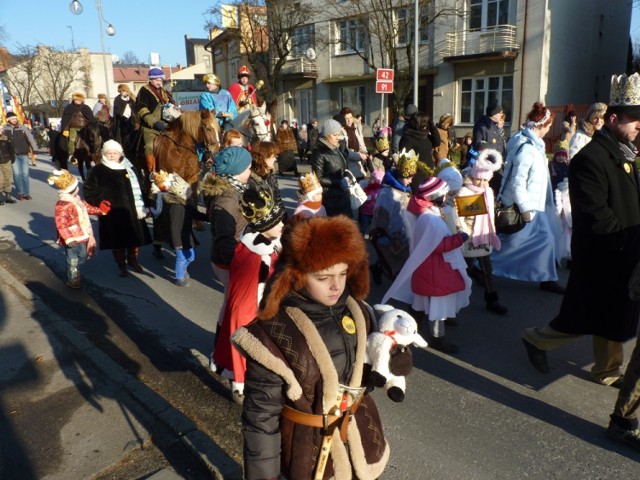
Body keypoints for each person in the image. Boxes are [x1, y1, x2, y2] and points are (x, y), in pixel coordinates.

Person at [231, 215, 390, 480]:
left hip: (359, 437)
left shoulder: (358, 312)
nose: (337, 285)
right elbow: (261, 417)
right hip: (310, 451)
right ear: (297, 276)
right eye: (323, 277)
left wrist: (393, 357)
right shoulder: (275, 335)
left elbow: (367, 374)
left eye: (342, 273)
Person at [521, 74, 640, 395]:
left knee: (613, 315)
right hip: (603, 254)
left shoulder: (625, 153)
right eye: (635, 119)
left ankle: (606, 369)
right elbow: (595, 215)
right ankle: (536, 339)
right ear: (613, 119)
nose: (639, 126)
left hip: (623, 251)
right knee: (586, 316)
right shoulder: (590, 158)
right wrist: (627, 242)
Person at [212, 185, 285, 404]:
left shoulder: (261, 245)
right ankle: (240, 386)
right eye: (277, 223)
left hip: (254, 306)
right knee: (244, 348)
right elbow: (251, 287)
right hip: (248, 310)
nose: (283, 225)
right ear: (264, 227)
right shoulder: (255, 254)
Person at [383, 177, 471, 354]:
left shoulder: (424, 212)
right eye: (445, 193)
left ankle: (409, 325)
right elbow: (438, 245)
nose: (448, 196)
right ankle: (437, 338)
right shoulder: (431, 219)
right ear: (436, 195)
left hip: (428, 266)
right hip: (436, 268)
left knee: (421, 301)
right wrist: (460, 238)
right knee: (439, 305)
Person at [490, 102, 564, 294]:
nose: (549, 129)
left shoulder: (535, 147)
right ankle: (481, 264)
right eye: (549, 126)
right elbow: (517, 182)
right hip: (526, 207)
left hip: (534, 205)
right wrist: (525, 210)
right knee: (512, 243)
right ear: (541, 126)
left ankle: (546, 277)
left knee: (542, 240)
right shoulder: (528, 149)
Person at [200, 146, 252, 370]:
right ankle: (225, 354)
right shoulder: (227, 199)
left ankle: (222, 349)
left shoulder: (234, 189)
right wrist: (241, 264)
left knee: (229, 306)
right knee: (236, 310)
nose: (251, 171)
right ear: (237, 171)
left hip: (234, 258)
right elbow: (224, 240)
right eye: (248, 168)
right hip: (229, 262)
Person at [83, 140, 152, 277]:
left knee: (134, 238)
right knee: (118, 241)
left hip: (132, 211)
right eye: (109, 153)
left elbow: (141, 187)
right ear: (104, 154)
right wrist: (99, 202)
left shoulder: (130, 168)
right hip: (112, 212)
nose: (112, 155)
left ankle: (133, 259)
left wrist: (146, 204)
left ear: (120, 154)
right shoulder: (97, 170)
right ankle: (121, 264)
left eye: (115, 153)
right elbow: (88, 191)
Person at [456, 149, 508, 314]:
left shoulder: (487, 192)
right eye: (479, 180)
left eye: (486, 181)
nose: (482, 184)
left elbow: (489, 214)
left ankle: (492, 298)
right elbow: (460, 218)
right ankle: (453, 298)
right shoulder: (465, 191)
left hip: (483, 235)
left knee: (487, 268)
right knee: (464, 269)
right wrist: (463, 234)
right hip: (469, 237)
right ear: (473, 176)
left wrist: (491, 231)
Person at [48, 169, 110, 288]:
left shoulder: (77, 200)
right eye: (77, 187)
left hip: (84, 233)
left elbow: (87, 208)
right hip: (73, 238)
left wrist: (100, 211)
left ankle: (76, 267)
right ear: (73, 189)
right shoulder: (63, 205)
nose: (78, 189)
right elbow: (61, 223)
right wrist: (68, 238)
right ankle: (73, 278)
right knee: (73, 258)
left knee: (82, 255)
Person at [369, 148, 417, 282]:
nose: (411, 182)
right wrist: (380, 233)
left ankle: (401, 282)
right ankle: (378, 269)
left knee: (404, 258)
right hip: (391, 231)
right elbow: (380, 213)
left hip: (405, 229)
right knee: (390, 257)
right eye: (408, 178)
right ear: (401, 175)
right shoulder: (386, 193)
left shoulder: (406, 188)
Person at [135, 67, 175, 174]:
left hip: (167, 125)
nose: (159, 82)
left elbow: (172, 106)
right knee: (150, 146)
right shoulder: (144, 90)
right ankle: (152, 172)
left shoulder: (164, 91)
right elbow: (142, 109)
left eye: (160, 80)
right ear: (151, 79)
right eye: (157, 80)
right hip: (151, 128)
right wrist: (154, 123)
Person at [311, 118, 351, 217]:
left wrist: (347, 176)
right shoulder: (319, 152)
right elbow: (318, 178)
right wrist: (338, 182)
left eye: (339, 134)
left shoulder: (336, 148)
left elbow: (343, 168)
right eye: (335, 135)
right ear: (326, 135)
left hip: (342, 197)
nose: (338, 138)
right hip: (330, 199)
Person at [399, 111, 441, 188]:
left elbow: (437, 142)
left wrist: (433, 127)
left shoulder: (425, 135)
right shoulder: (407, 138)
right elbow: (404, 159)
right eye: (426, 122)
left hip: (429, 173)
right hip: (416, 177)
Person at [3, 112, 37, 201]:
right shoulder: (5, 129)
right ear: (8, 120)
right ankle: (20, 193)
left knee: (25, 174)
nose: (14, 120)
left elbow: (30, 138)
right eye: (12, 119)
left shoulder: (22, 127)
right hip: (13, 155)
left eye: (15, 118)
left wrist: (35, 150)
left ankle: (26, 193)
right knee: (17, 174)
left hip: (24, 154)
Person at [248, 140, 286, 217]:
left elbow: (278, 201)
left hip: (277, 220)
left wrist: (285, 219)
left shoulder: (270, 176)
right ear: (263, 158)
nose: (275, 159)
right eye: (273, 156)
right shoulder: (251, 182)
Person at [60, 92, 97, 165]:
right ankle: (72, 155)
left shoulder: (86, 107)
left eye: (79, 100)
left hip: (84, 128)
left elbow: (91, 119)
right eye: (76, 100)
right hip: (73, 128)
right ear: (73, 100)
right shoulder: (69, 108)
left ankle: (92, 154)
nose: (78, 102)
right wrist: (65, 129)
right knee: (72, 141)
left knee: (90, 140)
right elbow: (65, 119)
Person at [340, 107, 369, 180]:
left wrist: (366, 153)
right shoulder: (340, 131)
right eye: (346, 118)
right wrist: (359, 156)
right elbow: (344, 151)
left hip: (359, 162)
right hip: (348, 163)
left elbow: (361, 143)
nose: (349, 120)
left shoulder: (356, 128)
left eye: (350, 117)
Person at [0, 129, 16, 205]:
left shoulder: (6, 138)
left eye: (1, 129)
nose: (1, 130)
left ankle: (8, 197)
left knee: (8, 179)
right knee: (0, 180)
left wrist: (12, 158)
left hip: (6, 161)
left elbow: (11, 149)